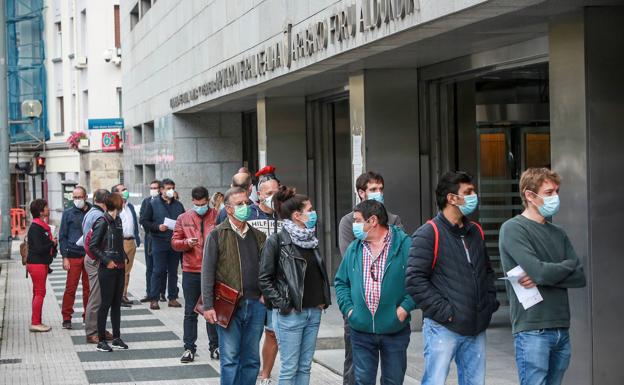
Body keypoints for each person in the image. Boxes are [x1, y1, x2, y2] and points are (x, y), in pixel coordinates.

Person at [406, 171, 499, 385]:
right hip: (443, 327)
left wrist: (488, 304)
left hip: (476, 325)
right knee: (435, 381)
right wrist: (446, 313)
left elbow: (486, 271)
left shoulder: (475, 231)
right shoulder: (428, 233)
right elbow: (415, 280)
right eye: (468, 192)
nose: (473, 196)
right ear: (451, 198)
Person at [499, 168, 586, 385]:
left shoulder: (559, 233)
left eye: (556, 191)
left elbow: (580, 277)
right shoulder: (513, 229)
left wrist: (545, 274)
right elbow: (538, 271)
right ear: (530, 195)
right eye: (548, 192)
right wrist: (564, 267)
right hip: (532, 329)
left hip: (561, 328)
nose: (555, 197)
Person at [335, 200, 416, 385]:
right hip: (361, 330)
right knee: (363, 381)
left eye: (357, 220)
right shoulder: (355, 249)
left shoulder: (405, 245)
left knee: (393, 381)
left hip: (395, 329)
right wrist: (349, 310)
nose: (353, 225)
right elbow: (341, 283)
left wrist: (404, 309)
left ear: (372, 221)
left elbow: (419, 281)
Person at [259, 186, 331, 385]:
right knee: (289, 368)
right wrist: (284, 304)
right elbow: (265, 279)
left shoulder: (311, 240)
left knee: (305, 366)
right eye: (310, 210)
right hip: (290, 314)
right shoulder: (276, 241)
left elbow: (319, 274)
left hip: (313, 311)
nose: (313, 213)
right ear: (297, 215)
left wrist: (323, 300)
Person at [201, 187, 267, 385]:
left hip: (255, 304)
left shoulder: (258, 236)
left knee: (252, 359)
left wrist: (265, 294)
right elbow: (207, 272)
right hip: (228, 305)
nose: (245, 207)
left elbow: (266, 269)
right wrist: (208, 305)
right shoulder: (217, 235)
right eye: (240, 204)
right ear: (228, 209)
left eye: (247, 203)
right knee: (230, 359)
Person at [171, 186, 220, 363]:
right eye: (197, 204)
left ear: (208, 200)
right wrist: (186, 243)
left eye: (203, 203)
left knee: (212, 310)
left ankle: (215, 347)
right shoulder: (183, 218)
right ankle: (189, 349)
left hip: (213, 271)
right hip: (191, 270)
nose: (200, 206)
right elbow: (175, 243)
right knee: (190, 311)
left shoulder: (217, 216)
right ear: (192, 201)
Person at [250, 171, 283, 385]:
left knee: (272, 333)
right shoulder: (250, 216)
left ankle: (265, 375)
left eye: (276, 192)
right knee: (251, 335)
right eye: (269, 193)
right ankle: (249, 372)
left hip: (277, 287)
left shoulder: (286, 216)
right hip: (252, 288)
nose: (273, 196)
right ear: (259, 195)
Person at [89, 192, 129, 352]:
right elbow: (93, 245)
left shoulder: (117, 220)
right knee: (105, 304)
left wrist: (123, 256)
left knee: (116, 304)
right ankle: (101, 341)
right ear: (117, 204)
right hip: (107, 268)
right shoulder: (102, 221)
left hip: (119, 266)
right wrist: (107, 261)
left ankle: (117, 338)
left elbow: (118, 242)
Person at [140, 178, 185, 310]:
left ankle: (172, 297)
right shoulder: (153, 204)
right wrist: (157, 227)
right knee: (158, 270)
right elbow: (144, 220)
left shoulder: (178, 205)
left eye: (172, 188)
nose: (170, 190)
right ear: (161, 190)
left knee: (173, 271)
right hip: (159, 241)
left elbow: (184, 220)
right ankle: (154, 298)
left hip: (174, 242)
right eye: (167, 188)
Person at [82, 189, 114, 344]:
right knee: (96, 297)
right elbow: (93, 242)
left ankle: (99, 328)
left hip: (95, 257)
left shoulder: (92, 212)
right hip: (95, 259)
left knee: (100, 296)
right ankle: (92, 332)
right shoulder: (98, 215)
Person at [59, 186, 91, 329]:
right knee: (70, 288)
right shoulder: (68, 214)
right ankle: (66, 317)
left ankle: (88, 316)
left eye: (79, 197)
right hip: (73, 255)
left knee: (88, 289)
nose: (77, 200)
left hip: (90, 256)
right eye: (75, 197)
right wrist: (64, 257)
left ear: (85, 197)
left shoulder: (93, 212)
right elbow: (62, 237)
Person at [26, 199, 58, 332]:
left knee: (37, 293)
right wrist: (52, 243)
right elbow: (39, 248)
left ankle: (37, 320)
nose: (48, 209)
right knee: (40, 293)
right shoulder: (35, 227)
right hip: (37, 263)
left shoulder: (41, 226)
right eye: (46, 207)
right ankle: (35, 322)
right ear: (40, 211)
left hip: (40, 263)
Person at [112, 184, 141, 307]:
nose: (125, 191)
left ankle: (123, 294)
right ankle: (117, 296)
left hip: (131, 242)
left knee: (127, 271)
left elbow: (134, 223)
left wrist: (137, 239)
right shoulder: (114, 207)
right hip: (120, 242)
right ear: (116, 193)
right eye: (122, 190)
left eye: (125, 189)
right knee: (119, 270)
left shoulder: (130, 207)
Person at [139, 180, 166, 303]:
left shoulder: (164, 202)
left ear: (160, 189)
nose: (153, 189)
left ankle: (161, 292)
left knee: (161, 267)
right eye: (151, 187)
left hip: (162, 238)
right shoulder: (146, 201)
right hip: (150, 237)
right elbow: (143, 218)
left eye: (155, 187)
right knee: (150, 266)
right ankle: (150, 292)